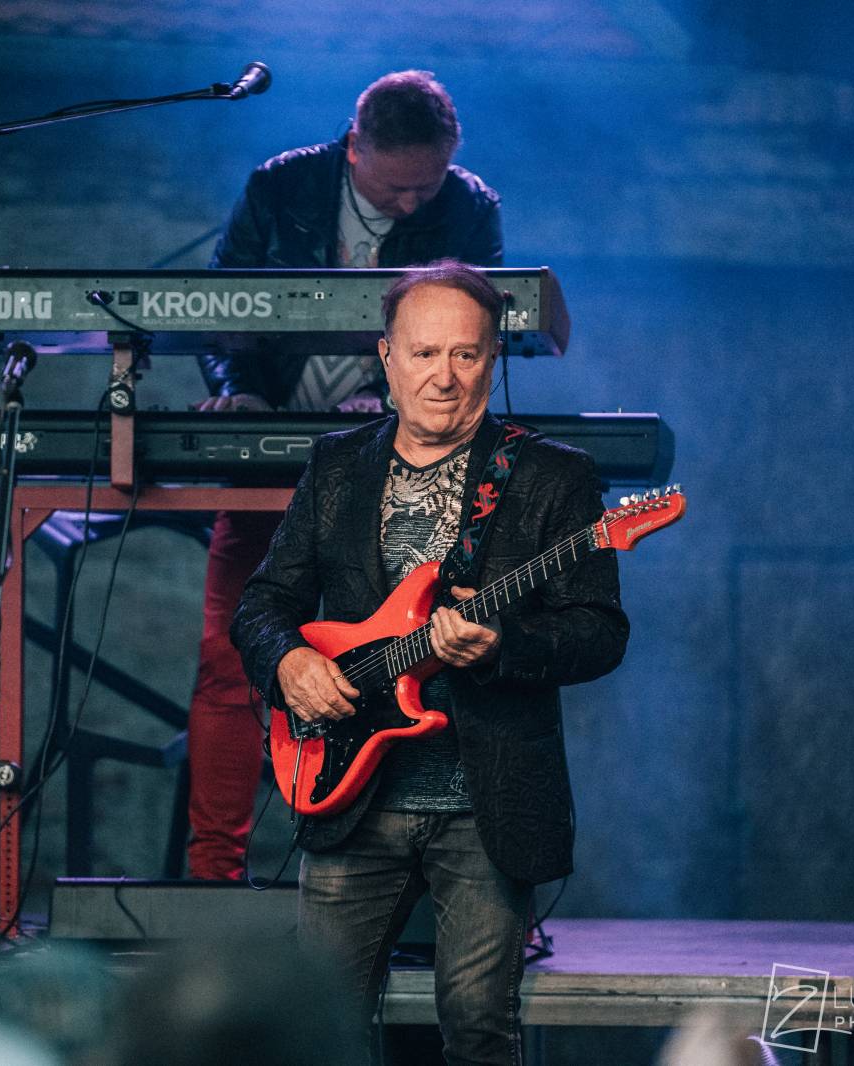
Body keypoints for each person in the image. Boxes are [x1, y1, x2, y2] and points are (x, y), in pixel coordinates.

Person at [230, 262, 630, 1063]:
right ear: (387, 359)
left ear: (494, 359)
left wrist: (503, 648)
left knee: (478, 1028)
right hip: (349, 790)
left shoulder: (554, 477)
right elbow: (261, 605)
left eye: (466, 355)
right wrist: (290, 665)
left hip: (485, 804)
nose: (443, 377)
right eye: (423, 354)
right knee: (318, 1031)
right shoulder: (337, 465)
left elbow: (599, 632)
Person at [186, 69, 505, 880]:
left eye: (426, 185)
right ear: (354, 146)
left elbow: (484, 332)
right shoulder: (280, 185)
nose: (412, 205)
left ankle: (414, 875)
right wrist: (243, 393)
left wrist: (382, 396)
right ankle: (212, 875)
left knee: (413, 672)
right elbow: (223, 311)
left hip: (400, 461)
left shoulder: (468, 207)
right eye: (398, 188)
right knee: (233, 659)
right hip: (272, 455)